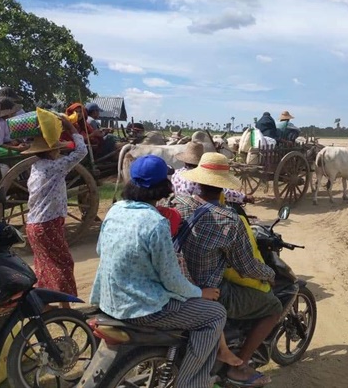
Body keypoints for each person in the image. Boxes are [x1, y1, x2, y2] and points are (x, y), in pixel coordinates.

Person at [90, 155, 227, 388]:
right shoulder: (156, 223)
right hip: (142, 308)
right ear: (163, 186)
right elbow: (172, 279)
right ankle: (192, 382)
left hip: (108, 301)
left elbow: (100, 248)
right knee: (215, 314)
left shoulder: (115, 209)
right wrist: (200, 292)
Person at [172, 153, 281, 387]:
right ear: (223, 186)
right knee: (273, 306)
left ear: (198, 181)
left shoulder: (178, 204)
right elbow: (246, 267)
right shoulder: (228, 220)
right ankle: (240, 366)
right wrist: (270, 275)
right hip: (211, 290)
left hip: (178, 281)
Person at [24, 116, 88, 308]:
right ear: (51, 151)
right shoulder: (55, 167)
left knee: (44, 265)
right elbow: (81, 151)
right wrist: (71, 127)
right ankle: (65, 307)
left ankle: (45, 304)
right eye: (57, 147)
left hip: (34, 225)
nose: (60, 149)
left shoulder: (36, 167)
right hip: (47, 224)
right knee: (63, 263)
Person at [171, 141, 254, 204]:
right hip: (197, 212)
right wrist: (244, 197)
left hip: (179, 209)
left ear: (184, 160)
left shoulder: (176, 174)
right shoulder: (198, 178)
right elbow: (223, 192)